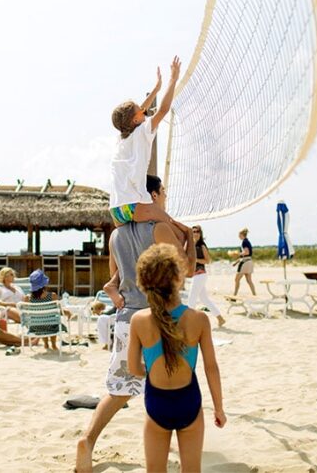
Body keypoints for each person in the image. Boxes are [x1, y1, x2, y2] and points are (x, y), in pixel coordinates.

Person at [75, 174, 196, 473]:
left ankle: (88, 441)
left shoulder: (116, 235)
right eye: (163, 192)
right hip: (160, 319)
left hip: (127, 318)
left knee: (119, 390)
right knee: (173, 387)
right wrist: (191, 240)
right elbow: (188, 271)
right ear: (153, 196)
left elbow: (114, 279)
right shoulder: (160, 228)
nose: (165, 197)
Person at [128, 243, 226, 473]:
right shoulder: (199, 319)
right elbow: (211, 368)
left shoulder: (139, 321)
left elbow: (133, 368)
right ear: (178, 278)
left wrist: (151, 371)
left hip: (156, 403)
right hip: (189, 402)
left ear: (143, 282)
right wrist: (219, 409)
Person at [109, 56, 183, 236]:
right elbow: (163, 110)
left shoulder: (122, 138)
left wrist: (156, 89)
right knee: (179, 232)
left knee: (131, 242)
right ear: (136, 119)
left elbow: (137, 113)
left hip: (116, 210)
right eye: (141, 111)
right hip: (134, 204)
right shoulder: (142, 131)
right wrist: (173, 80)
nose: (144, 111)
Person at [187, 226, 226, 328]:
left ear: (200, 233)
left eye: (197, 231)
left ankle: (189, 323)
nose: (195, 233)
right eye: (193, 231)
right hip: (196, 275)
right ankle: (220, 319)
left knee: (191, 298)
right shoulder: (191, 245)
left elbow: (207, 261)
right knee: (204, 299)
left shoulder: (202, 246)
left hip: (200, 274)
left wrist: (196, 260)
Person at [27, 269, 71, 351]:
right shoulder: (52, 296)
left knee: (41, 320)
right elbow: (59, 310)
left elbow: (26, 313)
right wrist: (67, 312)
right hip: (51, 326)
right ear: (44, 284)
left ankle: (46, 344)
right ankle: (53, 344)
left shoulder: (28, 298)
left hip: (35, 327)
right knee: (53, 321)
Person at [233, 228, 256, 296]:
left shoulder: (244, 242)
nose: (238, 236)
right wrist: (236, 262)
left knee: (237, 279)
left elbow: (246, 252)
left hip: (245, 263)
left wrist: (237, 254)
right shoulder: (247, 241)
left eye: (239, 234)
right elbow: (247, 254)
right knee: (249, 280)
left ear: (242, 234)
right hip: (249, 261)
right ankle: (254, 294)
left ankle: (234, 295)